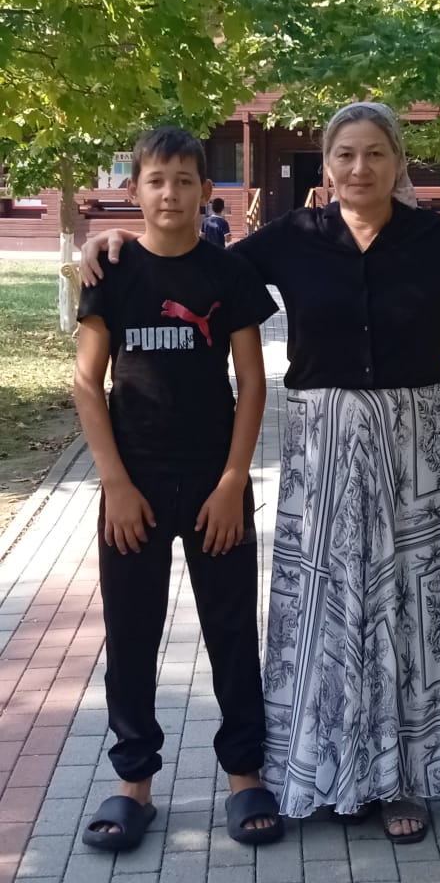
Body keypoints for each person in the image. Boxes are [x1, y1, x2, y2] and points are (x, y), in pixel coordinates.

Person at [79, 102, 440, 845]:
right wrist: (112, 241)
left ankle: (404, 777)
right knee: (325, 609)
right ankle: (330, 769)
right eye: (345, 155)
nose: (360, 169)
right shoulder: (292, 237)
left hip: (417, 449)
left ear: (398, 163)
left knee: (411, 611)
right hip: (323, 447)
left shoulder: (437, 239)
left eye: (376, 154)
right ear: (327, 166)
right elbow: (191, 259)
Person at [74, 127, 283, 851]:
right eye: (156, 180)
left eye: (184, 181)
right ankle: (133, 782)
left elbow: (253, 383)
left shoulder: (228, 274)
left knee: (232, 631)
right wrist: (113, 481)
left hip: (212, 483)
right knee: (132, 634)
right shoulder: (112, 272)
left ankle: (245, 775)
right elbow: (87, 381)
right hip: (131, 484)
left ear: (205, 191)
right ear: (135, 189)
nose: (170, 193)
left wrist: (232, 481)